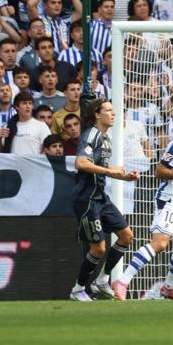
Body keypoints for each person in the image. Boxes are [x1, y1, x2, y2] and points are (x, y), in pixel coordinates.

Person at [112, 105, 173, 301]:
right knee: (160, 243)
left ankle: (168, 287)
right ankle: (122, 281)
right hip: (170, 201)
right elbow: (160, 172)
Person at [70, 99, 140, 301]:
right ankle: (78, 289)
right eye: (108, 110)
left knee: (126, 236)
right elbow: (81, 163)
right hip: (87, 199)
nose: (113, 113)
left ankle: (102, 280)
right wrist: (111, 171)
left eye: (113, 110)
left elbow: (102, 171)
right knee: (98, 248)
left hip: (101, 197)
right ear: (97, 114)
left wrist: (123, 176)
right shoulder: (91, 134)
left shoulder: (106, 139)